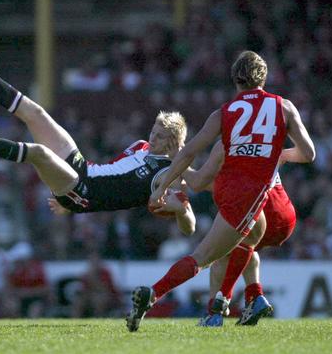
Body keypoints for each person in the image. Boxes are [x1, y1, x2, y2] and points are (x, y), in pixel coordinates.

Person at [126, 50, 315, 332]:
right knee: (237, 245)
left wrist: (163, 186)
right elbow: (309, 153)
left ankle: (173, 299)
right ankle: (254, 296)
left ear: (235, 80)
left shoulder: (225, 117)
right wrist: (281, 155)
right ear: (264, 77)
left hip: (250, 199)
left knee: (210, 257)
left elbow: (192, 159)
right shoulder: (283, 107)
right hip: (270, 206)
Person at [0, 21, 195, 234]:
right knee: (35, 113)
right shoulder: (141, 146)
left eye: (160, 137)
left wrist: (183, 212)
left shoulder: (169, 174)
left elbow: (189, 226)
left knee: (39, 153)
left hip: (82, 190)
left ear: (172, 143)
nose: (152, 137)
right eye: (153, 130)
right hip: (81, 170)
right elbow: (114, 179)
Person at [185, 141, 299, 326]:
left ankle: (214, 313)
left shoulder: (228, 144)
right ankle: (256, 297)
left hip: (260, 210)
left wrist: (178, 166)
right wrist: (284, 155)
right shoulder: (262, 139)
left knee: (220, 254)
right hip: (285, 213)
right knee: (246, 249)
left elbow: (202, 183)